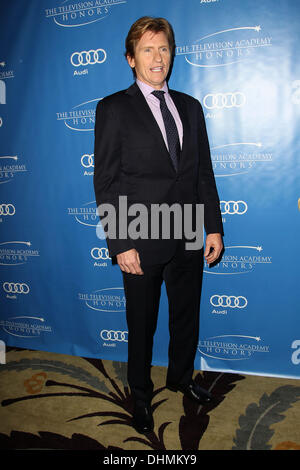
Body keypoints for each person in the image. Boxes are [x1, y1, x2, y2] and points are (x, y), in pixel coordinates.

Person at [93, 16, 223, 434]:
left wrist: (214, 227)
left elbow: (203, 172)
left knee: (185, 317)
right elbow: (107, 180)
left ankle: (182, 379)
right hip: (140, 236)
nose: (157, 57)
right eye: (147, 49)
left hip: (186, 229)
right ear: (131, 59)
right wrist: (120, 242)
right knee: (142, 323)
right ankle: (141, 395)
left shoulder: (190, 107)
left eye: (164, 48)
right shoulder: (113, 108)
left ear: (172, 54)